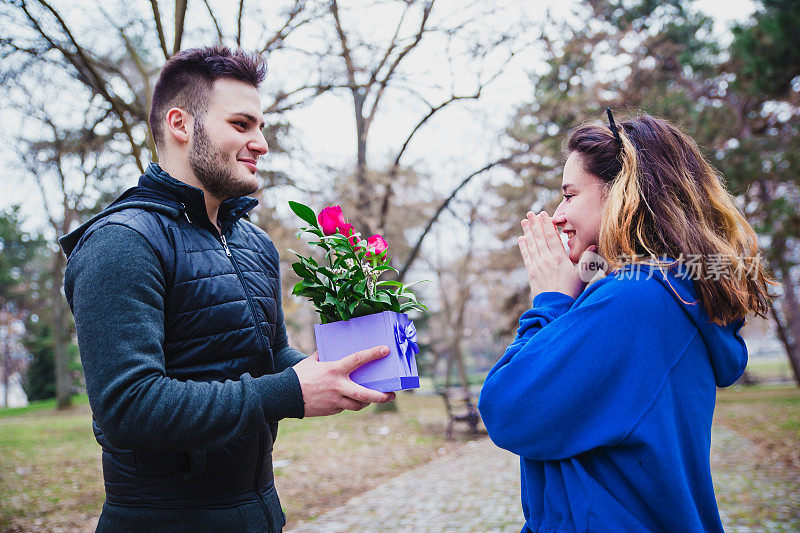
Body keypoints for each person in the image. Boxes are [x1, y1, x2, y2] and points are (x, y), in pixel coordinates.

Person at [59, 46, 395, 532]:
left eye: (260, 127)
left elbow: (271, 355)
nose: (260, 143)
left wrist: (337, 372)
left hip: (259, 513)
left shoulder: (255, 243)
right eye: (241, 125)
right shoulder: (121, 243)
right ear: (180, 124)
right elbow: (128, 407)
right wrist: (290, 392)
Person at [478, 111, 773, 533]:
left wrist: (549, 302)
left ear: (621, 191)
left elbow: (507, 408)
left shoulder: (634, 300)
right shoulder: (669, 294)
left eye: (570, 194)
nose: (558, 215)